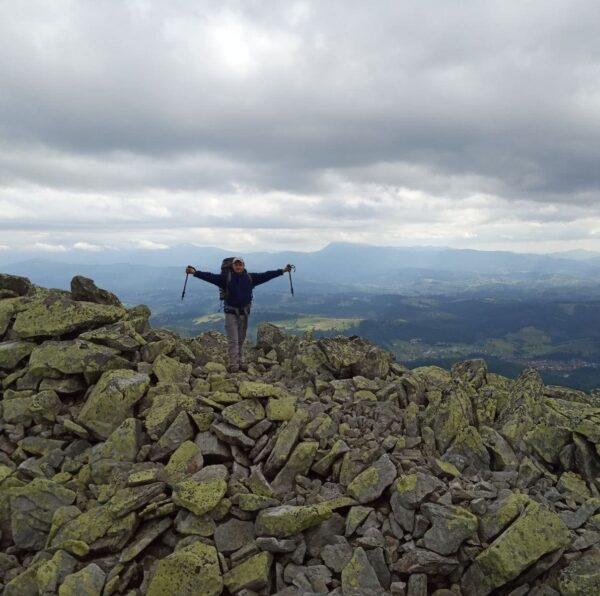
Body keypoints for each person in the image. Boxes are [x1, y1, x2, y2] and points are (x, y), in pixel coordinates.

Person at [186, 258, 292, 372]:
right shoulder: (226, 278)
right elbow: (210, 277)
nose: (238, 266)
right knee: (234, 341)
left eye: (240, 264)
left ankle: (240, 362)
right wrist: (195, 273)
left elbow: (266, 275)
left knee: (241, 340)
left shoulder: (250, 278)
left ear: (243, 265)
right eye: (236, 265)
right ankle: (234, 365)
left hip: (244, 314)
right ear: (232, 266)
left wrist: (283, 271)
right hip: (231, 313)